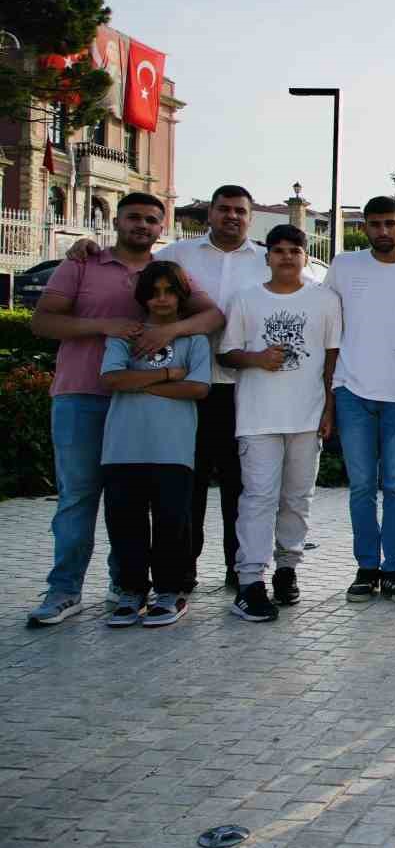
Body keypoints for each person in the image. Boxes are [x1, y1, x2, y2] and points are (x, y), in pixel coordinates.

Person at [26, 192, 222, 629]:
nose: (142, 225)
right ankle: (64, 590)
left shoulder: (164, 271)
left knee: (128, 502)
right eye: (134, 217)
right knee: (78, 497)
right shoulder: (83, 262)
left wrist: (170, 332)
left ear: (160, 227)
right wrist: (104, 325)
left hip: (144, 407)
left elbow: (212, 316)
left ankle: (125, 587)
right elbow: (42, 321)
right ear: (116, 220)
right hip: (82, 394)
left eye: (152, 219)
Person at [63, 185, 268, 592]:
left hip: (243, 387)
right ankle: (180, 573)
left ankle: (240, 569)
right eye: (223, 209)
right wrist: (88, 246)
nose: (231, 216)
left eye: (240, 211)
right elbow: (135, 261)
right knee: (185, 487)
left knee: (240, 485)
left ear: (250, 217)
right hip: (185, 387)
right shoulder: (177, 254)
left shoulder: (266, 260)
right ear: (210, 213)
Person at [219, 225, 340, 622]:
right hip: (258, 418)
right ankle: (250, 581)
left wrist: (329, 409)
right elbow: (227, 353)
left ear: (305, 256)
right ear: (267, 256)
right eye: (279, 250)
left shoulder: (324, 299)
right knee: (258, 498)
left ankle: (287, 569)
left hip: (306, 417)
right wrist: (256, 358)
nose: (287, 256)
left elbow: (332, 359)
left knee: (297, 498)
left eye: (294, 250)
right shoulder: (246, 299)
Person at [327, 196, 395, 603]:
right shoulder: (343, 266)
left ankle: (394, 568)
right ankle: (366, 567)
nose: (383, 231)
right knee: (361, 486)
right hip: (352, 390)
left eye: (390, 223)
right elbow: (326, 322)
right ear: (365, 228)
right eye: (375, 224)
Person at [100, 261, 212, 627]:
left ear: (181, 296)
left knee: (172, 522)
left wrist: (140, 382)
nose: (162, 299)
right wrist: (166, 375)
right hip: (122, 447)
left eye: (169, 292)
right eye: (154, 292)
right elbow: (112, 379)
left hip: (172, 449)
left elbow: (198, 387)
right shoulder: (126, 336)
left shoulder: (194, 340)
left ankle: (169, 592)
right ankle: (131, 591)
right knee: (125, 523)